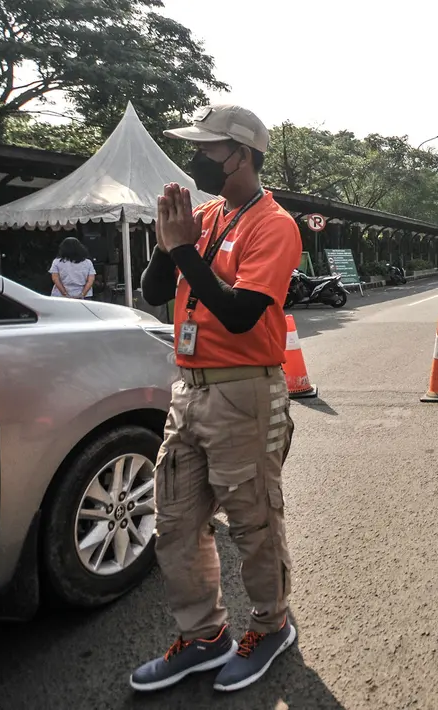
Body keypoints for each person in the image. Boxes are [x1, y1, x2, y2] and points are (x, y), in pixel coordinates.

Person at [129, 104, 302, 694]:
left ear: (243, 155)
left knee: (252, 520)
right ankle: (203, 636)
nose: (197, 159)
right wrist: (166, 242)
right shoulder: (204, 216)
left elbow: (238, 312)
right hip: (190, 391)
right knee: (176, 520)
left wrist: (184, 251)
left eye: (209, 149)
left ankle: (270, 626)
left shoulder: (273, 224)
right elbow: (155, 292)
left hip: (243, 391)